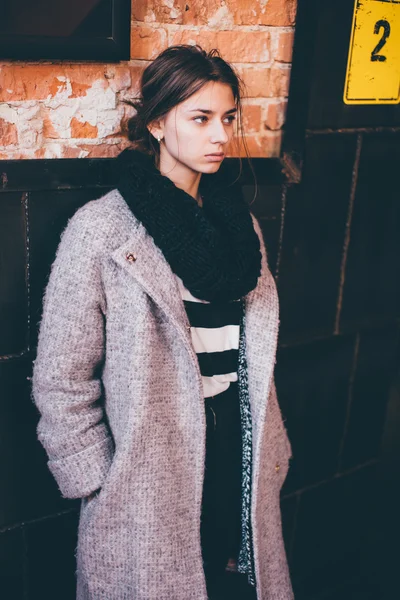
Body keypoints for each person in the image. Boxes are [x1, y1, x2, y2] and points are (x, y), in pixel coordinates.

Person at [32, 44, 293, 600]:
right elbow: (61, 373)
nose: (219, 136)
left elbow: (253, 352)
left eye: (226, 118)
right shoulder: (101, 231)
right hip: (147, 463)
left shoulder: (239, 226)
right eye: (199, 119)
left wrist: (273, 450)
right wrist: (98, 480)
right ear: (156, 123)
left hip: (238, 448)